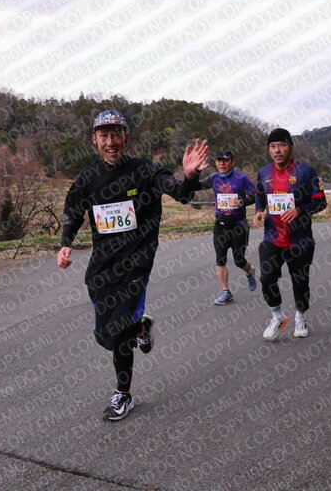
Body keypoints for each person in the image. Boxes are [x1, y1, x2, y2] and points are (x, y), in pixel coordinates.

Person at [57, 110, 208, 421]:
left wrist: (189, 176)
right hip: (102, 265)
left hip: (137, 262)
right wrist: (65, 242)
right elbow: (73, 211)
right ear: (94, 139)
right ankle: (141, 325)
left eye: (116, 134)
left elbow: (179, 192)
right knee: (105, 336)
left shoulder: (144, 170)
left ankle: (123, 394)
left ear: (125, 137)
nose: (110, 142)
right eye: (104, 136)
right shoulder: (88, 178)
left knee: (119, 333)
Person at [252, 128, 327, 341]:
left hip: (300, 240)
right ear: (269, 150)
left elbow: (321, 202)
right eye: (273, 146)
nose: (277, 150)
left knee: (300, 282)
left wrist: (300, 211)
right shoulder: (264, 173)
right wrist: (259, 211)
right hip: (272, 238)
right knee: (266, 278)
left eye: (282, 145)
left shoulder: (306, 172)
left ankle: (300, 316)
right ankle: (277, 316)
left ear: (290, 148)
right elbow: (259, 195)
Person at [200, 149, 258, 305]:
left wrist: (241, 202)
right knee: (220, 260)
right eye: (219, 160)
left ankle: (250, 272)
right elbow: (195, 185)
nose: (222, 163)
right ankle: (226, 292)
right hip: (220, 225)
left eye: (225, 160)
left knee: (239, 260)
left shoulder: (241, 178)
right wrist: (194, 172)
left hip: (238, 225)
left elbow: (255, 195)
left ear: (232, 162)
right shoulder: (213, 178)